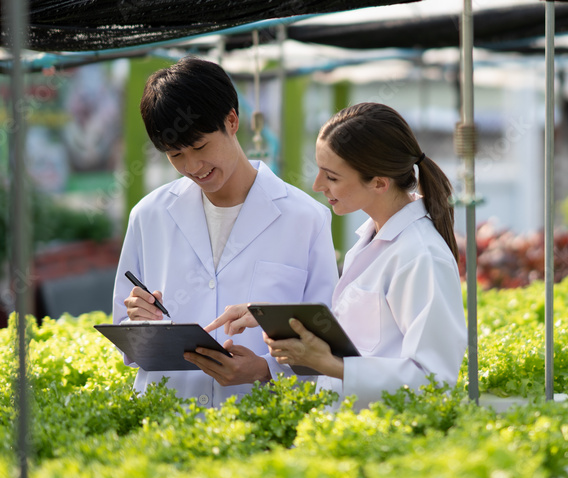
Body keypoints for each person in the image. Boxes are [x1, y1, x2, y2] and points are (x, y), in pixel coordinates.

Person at [201, 102, 467, 409]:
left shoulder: (420, 255)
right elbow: (359, 345)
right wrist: (274, 317)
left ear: (379, 182)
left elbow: (433, 380)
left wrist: (331, 365)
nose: (317, 185)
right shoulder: (371, 240)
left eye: (332, 176)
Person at [112, 56, 338, 407]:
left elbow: (328, 344)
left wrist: (266, 370)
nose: (192, 166)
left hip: (262, 429)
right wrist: (138, 321)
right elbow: (126, 332)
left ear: (232, 121)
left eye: (200, 147)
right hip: (170, 422)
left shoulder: (307, 219)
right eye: (176, 154)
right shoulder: (149, 216)